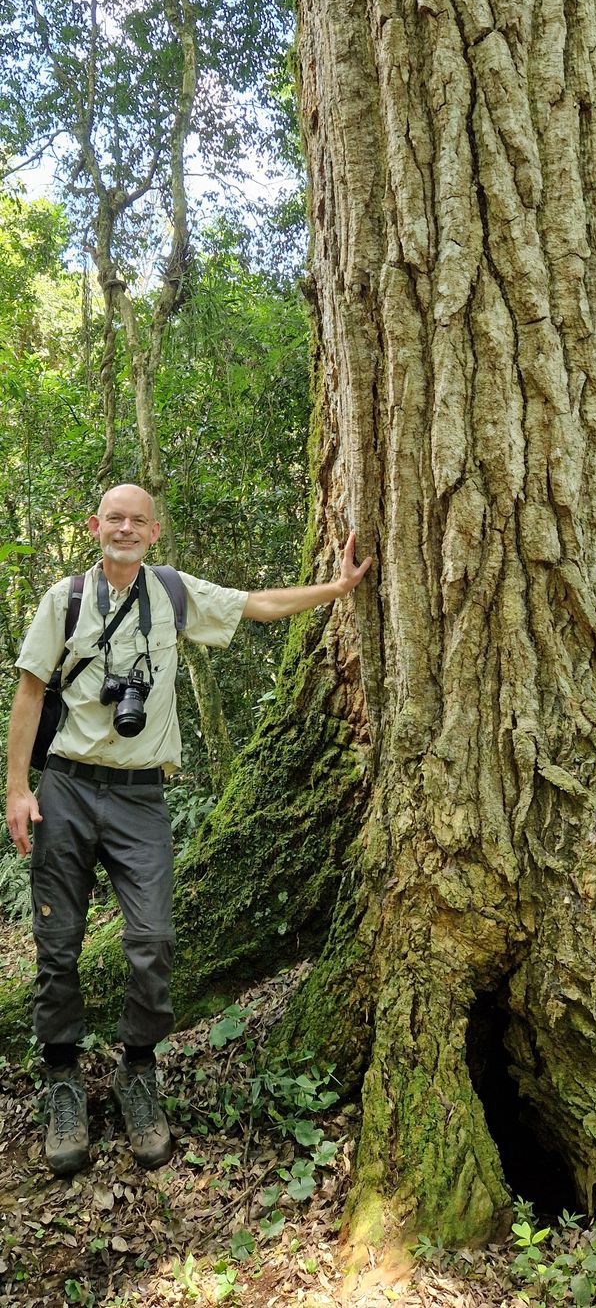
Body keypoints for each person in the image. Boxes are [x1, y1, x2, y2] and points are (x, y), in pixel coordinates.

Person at [4, 484, 371, 1178]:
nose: (125, 527)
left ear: (155, 532)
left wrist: (337, 588)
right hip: (68, 787)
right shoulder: (67, 600)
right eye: (114, 517)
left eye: (138, 519)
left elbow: (256, 605)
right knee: (57, 946)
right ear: (94, 526)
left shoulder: (172, 594)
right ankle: (62, 1083)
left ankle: (137, 1073)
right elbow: (29, 692)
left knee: (153, 940)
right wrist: (18, 789)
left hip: (142, 797)